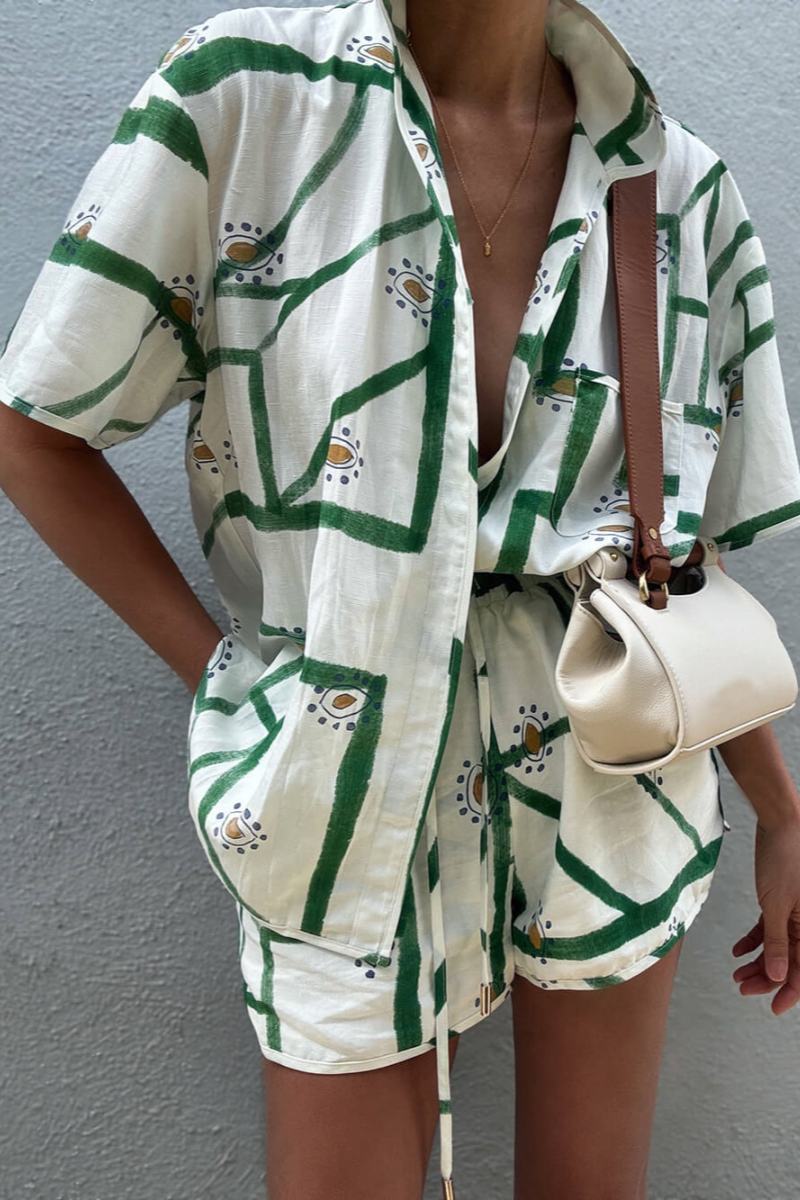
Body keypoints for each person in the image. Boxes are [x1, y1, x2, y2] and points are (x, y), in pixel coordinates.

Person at [2, 1, 800, 1197]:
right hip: (334, 781)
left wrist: (779, 811)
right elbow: (36, 427)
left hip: (611, 782)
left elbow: (676, 554)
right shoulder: (248, 99)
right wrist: (228, 681)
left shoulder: (672, 185)